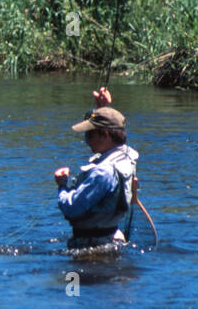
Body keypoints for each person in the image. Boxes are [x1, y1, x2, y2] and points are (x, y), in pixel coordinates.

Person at [54, 87, 138, 249]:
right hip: (113, 238)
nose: (86, 140)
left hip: (94, 247)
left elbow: (72, 208)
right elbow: (116, 127)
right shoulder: (127, 156)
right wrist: (104, 109)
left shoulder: (103, 172)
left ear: (105, 135)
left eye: (89, 134)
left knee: (77, 276)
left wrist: (62, 185)